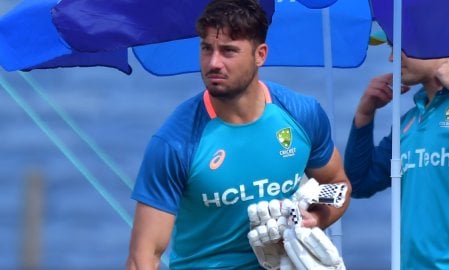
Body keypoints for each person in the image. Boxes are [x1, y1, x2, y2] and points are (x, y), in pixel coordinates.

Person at [126, 0, 351, 269]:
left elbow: (338, 184)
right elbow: (144, 256)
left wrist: (314, 218)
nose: (213, 63)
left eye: (228, 51)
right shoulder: (175, 143)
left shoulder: (302, 115)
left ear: (260, 54)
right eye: (206, 49)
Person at [344, 32, 449, 269]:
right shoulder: (411, 119)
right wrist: (364, 115)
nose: (391, 58)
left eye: (400, 47)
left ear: (439, 39)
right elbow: (359, 182)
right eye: (390, 47)